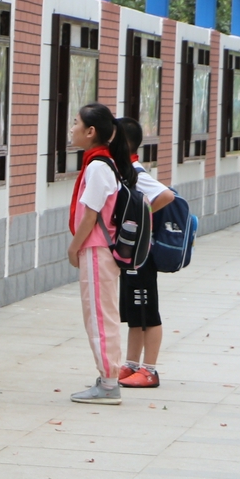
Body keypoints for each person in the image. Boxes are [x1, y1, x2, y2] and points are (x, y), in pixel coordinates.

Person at [65, 103, 137, 405]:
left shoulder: (97, 166)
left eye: (76, 122)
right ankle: (107, 377)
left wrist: (73, 247)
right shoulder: (102, 163)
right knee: (102, 313)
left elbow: (91, 216)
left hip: (96, 249)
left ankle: (108, 382)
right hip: (101, 251)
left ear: (91, 132)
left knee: (99, 316)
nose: (72, 128)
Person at [114, 117, 176, 389]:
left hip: (143, 254)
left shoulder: (136, 172)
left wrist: (143, 217)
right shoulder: (124, 171)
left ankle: (150, 369)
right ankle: (130, 364)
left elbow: (167, 195)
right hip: (131, 254)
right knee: (134, 312)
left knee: (148, 312)